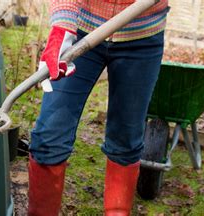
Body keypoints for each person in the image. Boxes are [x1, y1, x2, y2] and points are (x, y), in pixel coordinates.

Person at [28, 0, 169, 215]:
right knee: (50, 135)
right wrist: (62, 25)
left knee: (126, 141)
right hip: (83, 30)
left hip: (142, 35)